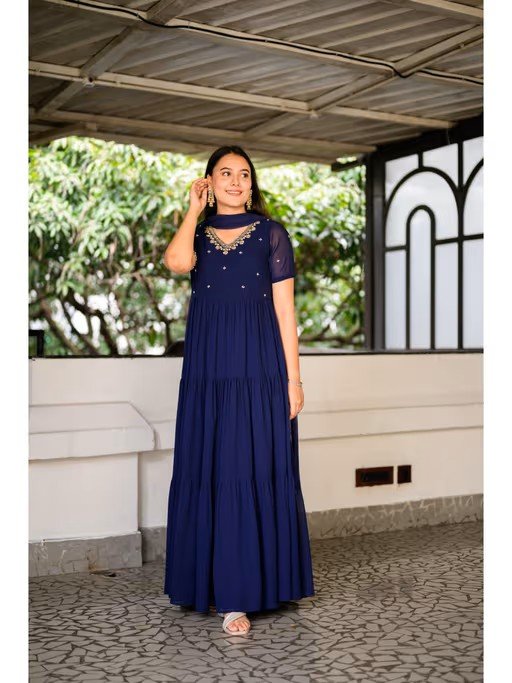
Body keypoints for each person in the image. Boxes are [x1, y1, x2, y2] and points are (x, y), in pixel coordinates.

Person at [162, 145, 315, 635]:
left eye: (243, 174)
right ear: (209, 182)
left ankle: (241, 595)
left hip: (258, 369)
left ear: (252, 184)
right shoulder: (197, 234)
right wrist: (192, 209)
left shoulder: (272, 234)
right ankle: (213, 587)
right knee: (212, 469)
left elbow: (286, 313)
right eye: (224, 173)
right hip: (208, 372)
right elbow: (175, 262)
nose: (235, 181)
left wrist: (293, 380)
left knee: (248, 468)